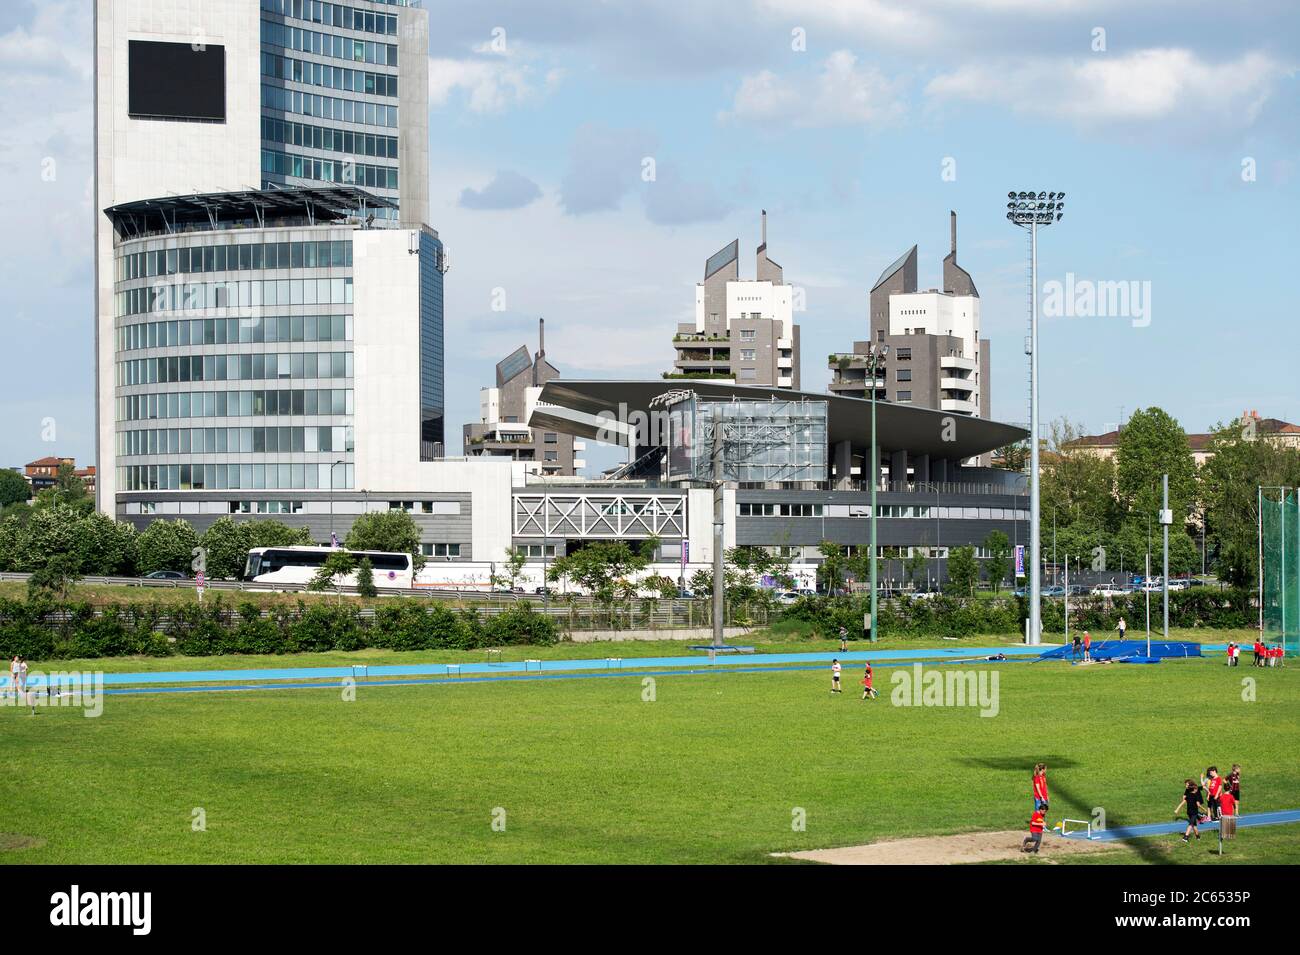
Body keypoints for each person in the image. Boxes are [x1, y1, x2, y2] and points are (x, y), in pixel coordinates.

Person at [1174, 778, 1206, 843]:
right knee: (1191, 824)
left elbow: (1182, 803)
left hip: (1189, 812)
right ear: (1194, 790)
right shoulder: (1195, 796)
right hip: (1194, 812)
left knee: (1194, 825)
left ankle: (1197, 836)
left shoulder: (1187, 796)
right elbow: (1198, 805)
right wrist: (1204, 809)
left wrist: (1177, 809)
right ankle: (1186, 837)